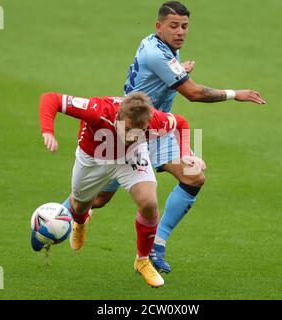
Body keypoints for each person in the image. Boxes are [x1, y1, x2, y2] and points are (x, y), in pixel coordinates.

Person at [69, 1, 266, 274]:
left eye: (185, 26)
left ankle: (156, 247)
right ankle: (61, 215)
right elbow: (194, 94)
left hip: (158, 129)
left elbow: (163, 79)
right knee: (98, 200)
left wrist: (178, 71)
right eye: (174, 26)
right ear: (158, 26)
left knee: (194, 176)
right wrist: (236, 94)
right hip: (131, 135)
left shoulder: (159, 47)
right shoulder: (157, 54)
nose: (181, 32)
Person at [36, 91, 204, 288]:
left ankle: (142, 260)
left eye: (140, 131)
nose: (133, 136)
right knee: (79, 207)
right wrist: (48, 131)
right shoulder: (97, 110)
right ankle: (80, 222)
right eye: (129, 129)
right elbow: (51, 99)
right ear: (118, 118)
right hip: (93, 159)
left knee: (149, 204)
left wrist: (185, 154)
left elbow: (181, 123)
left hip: (130, 158)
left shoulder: (154, 120)